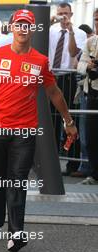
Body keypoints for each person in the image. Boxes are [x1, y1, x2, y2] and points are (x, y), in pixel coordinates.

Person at [0, 9, 77, 252]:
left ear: (32, 30)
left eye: (28, 25)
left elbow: (54, 92)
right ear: (12, 27)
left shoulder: (40, 61)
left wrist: (68, 120)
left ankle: (16, 234)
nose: (23, 29)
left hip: (25, 133)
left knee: (17, 181)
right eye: (19, 24)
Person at [49, 2, 87, 175]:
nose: (63, 17)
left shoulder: (79, 33)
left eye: (66, 13)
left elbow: (73, 53)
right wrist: (50, 21)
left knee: (70, 118)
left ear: (71, 14)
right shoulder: (51, 30)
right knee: (50, 120)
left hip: (67, 77)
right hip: (50, 77)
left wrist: (70, 31)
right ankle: (50, 160)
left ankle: (72, 163)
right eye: (60, 13)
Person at [77, 8, 98, 184]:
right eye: (96, 20)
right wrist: (89, 67)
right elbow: (80, 66)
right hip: (91, 93)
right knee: (90, 137)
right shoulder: (91, 42)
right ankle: (94, 173)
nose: (97, 23)